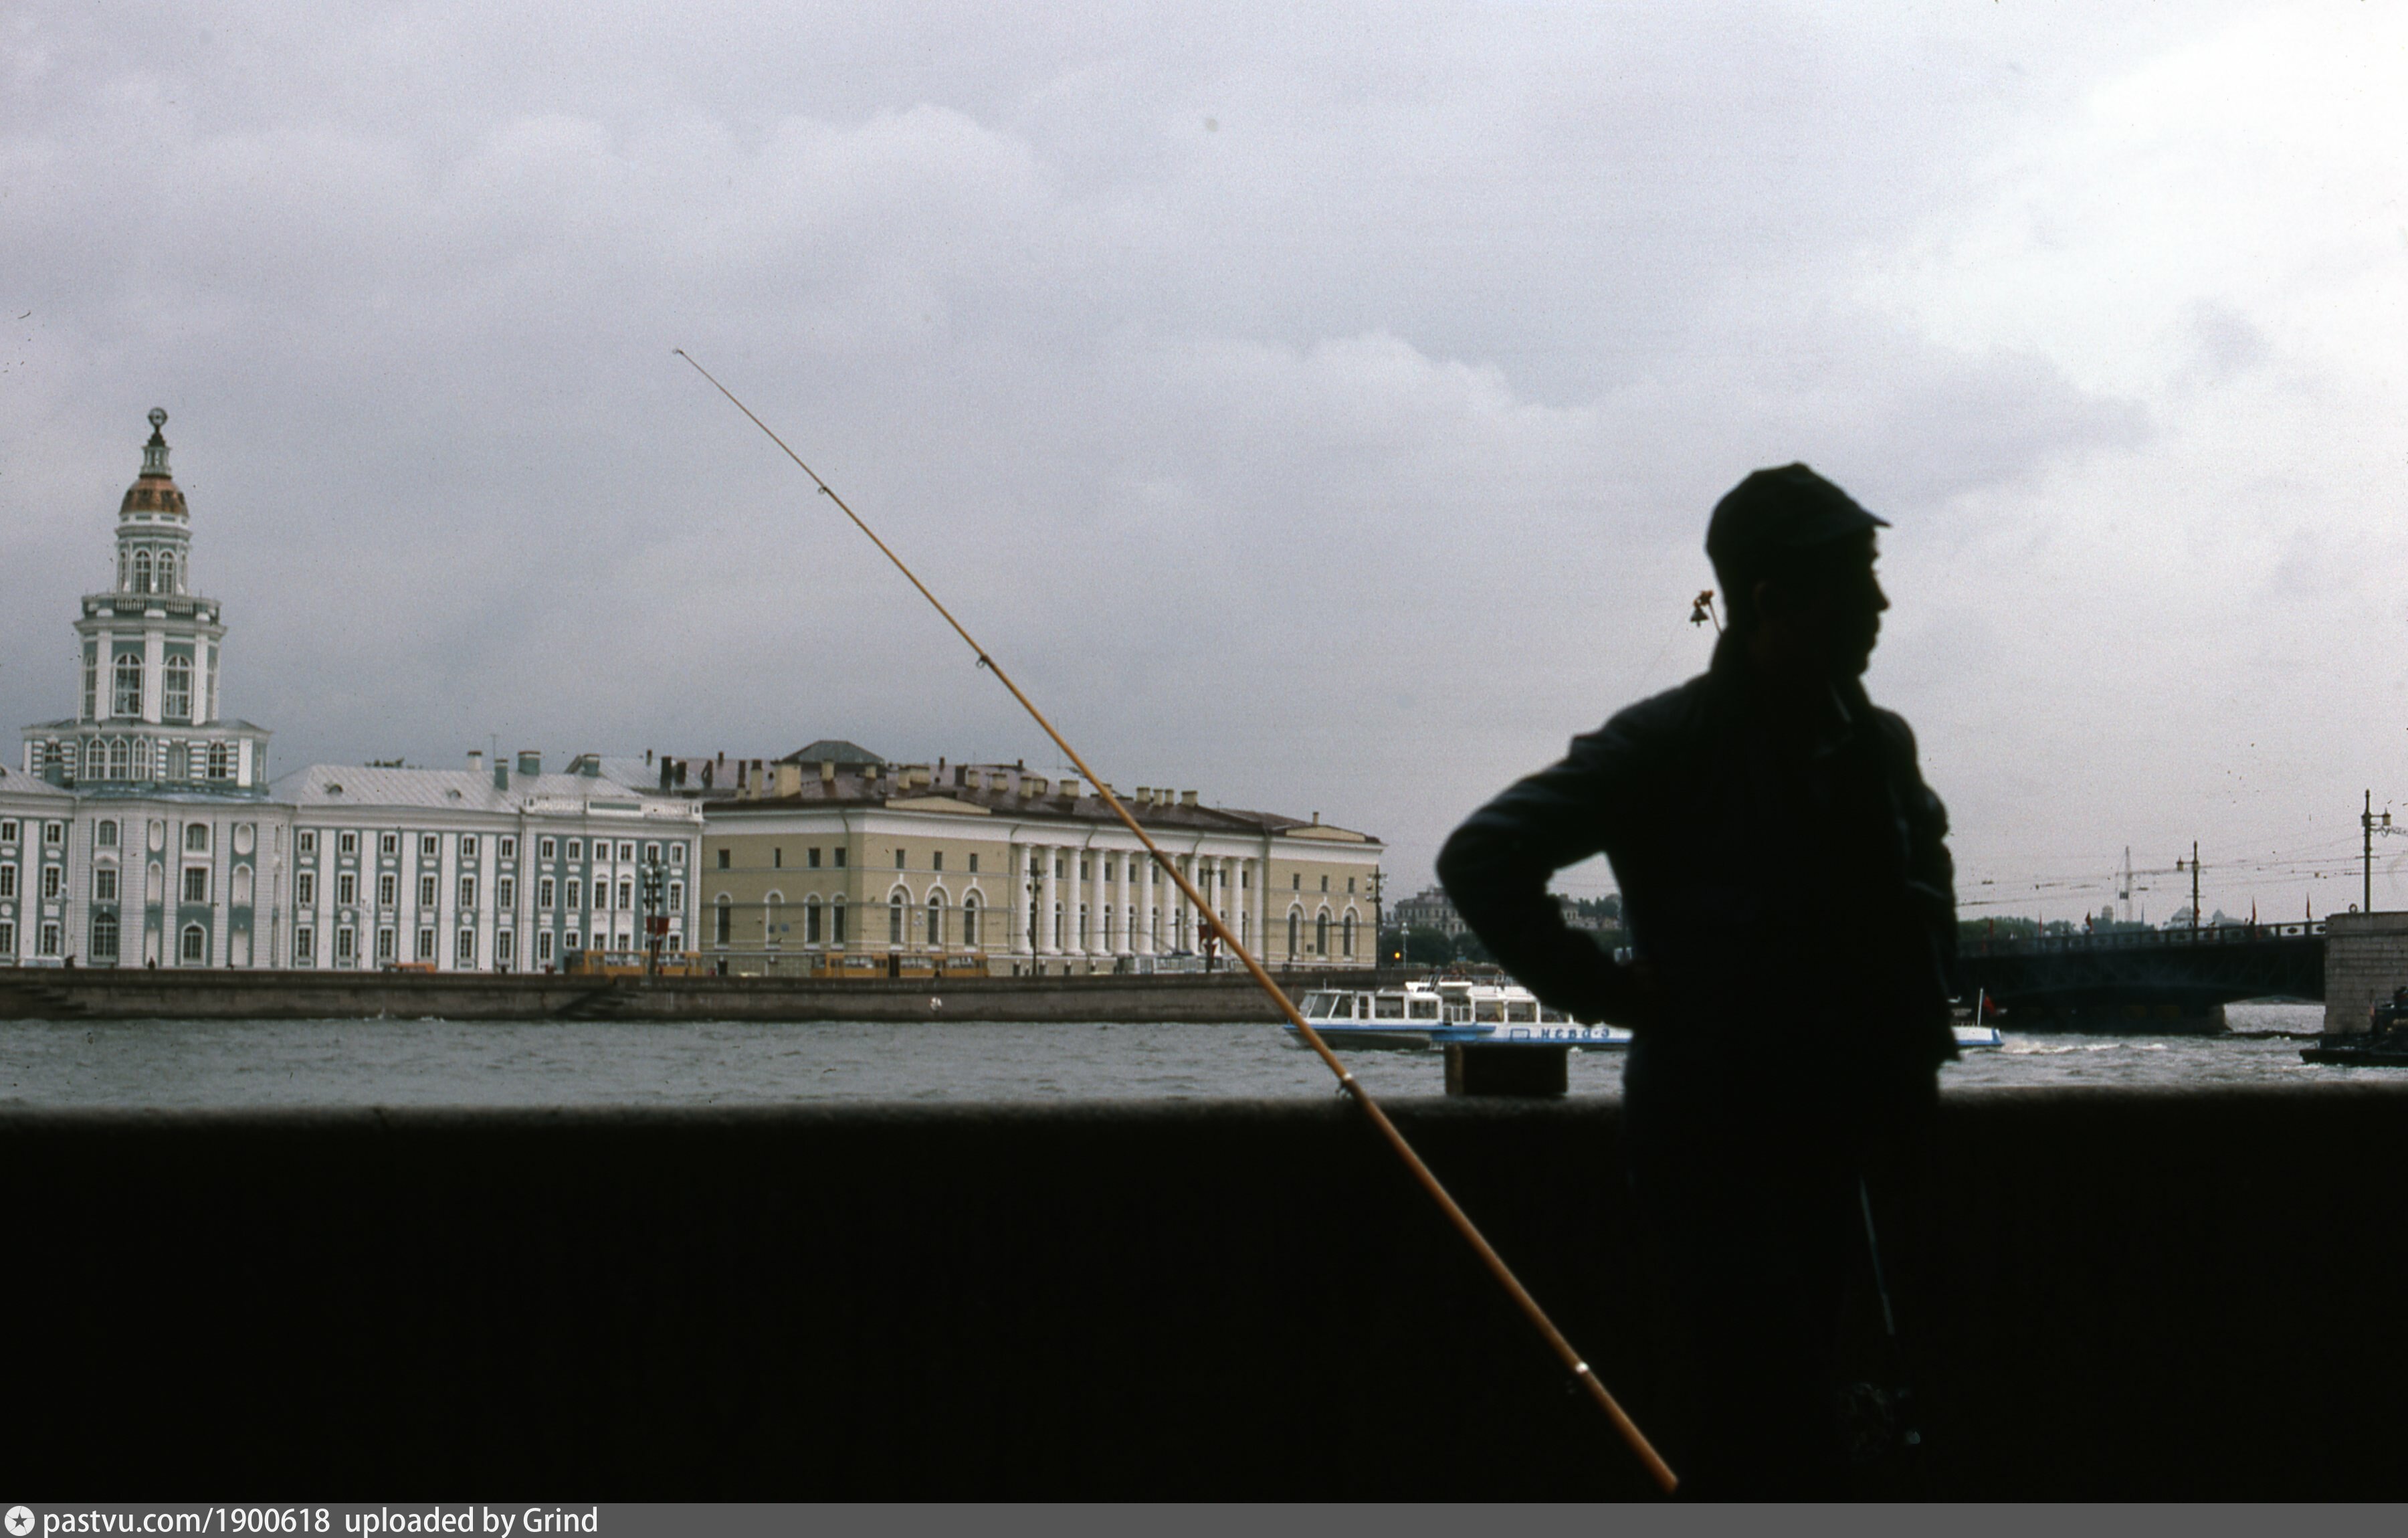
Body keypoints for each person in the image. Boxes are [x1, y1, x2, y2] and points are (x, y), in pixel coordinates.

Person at [1437, 463, 1958, 1497]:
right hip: (1727, 1157)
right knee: (1769, 1431)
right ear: (1774, 601)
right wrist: (1619, 998)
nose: (1882, 604)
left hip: (1862, 1141)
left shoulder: (1879, 744)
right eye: (1858, 579)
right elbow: (1480, 858)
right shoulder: (1667, 745)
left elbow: (1923, 912)